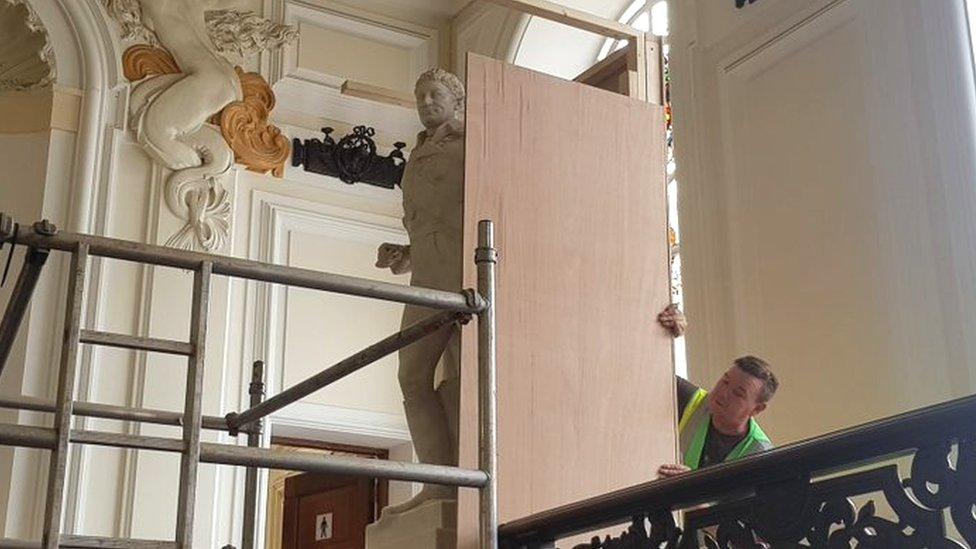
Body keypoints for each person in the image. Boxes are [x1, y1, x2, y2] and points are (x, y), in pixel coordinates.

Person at [375, 68, 466, 514]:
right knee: (412, 375)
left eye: (436, 93)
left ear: (456, 99)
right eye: (420, 95)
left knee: (470, 383)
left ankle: (467, 481)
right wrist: (405, 253)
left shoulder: (474, 142)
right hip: (427, 279)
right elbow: (432, 220)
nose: (427, 101)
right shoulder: (417, 151)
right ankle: (438, 479)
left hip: (468, 277)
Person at [657, 305, 778, 477]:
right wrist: (668, 331)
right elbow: (649, 375)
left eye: (738, 393)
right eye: (725, 381)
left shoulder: (759, 454)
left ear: (757, 409)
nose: (723, 392)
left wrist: (690, 488)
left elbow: (744, 504)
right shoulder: (693, 400)